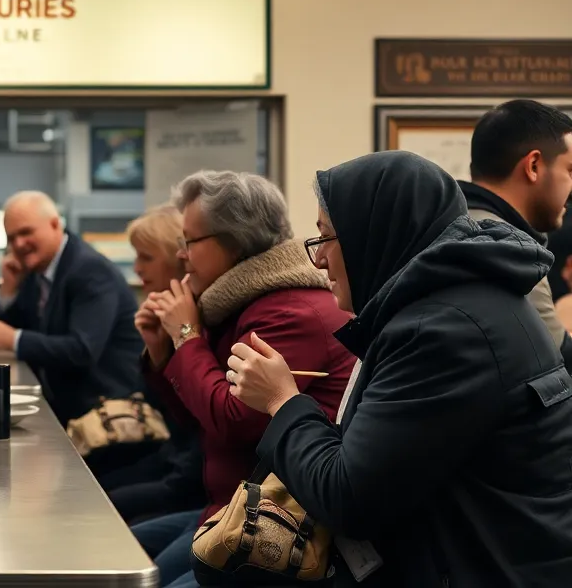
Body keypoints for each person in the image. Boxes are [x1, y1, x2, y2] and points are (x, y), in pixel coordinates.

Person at [231, 151, 572, 587]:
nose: (318, 262)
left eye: (326, 239)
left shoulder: (441, 332)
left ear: (374, 235)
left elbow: (348, 499)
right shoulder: (460, 304)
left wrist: (282, 400)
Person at [130, 171, 355, 588]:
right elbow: (196, 418)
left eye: (190, 242)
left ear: (234, 241)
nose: (182, 256)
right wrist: (164, 350)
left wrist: (186, 337)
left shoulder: (288, 313)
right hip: (228, 506)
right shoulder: (238, 302)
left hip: (273, 524)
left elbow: (232, 421)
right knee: (125, 559)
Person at [0, 190, 144, 424]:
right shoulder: (37, 269)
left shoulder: (89, 270)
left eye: (26, 232)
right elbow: (1, 335)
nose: (19, 244)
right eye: (11, 238)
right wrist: (9, 290)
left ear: (54, 224)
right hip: (59, 408)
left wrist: (13, 339)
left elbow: (82, 350)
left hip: (104, 417)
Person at [98, 204, 205, 524]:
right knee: (91, 490)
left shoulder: (200, 315)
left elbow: (198, 420)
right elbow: (167, 413)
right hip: (173, 456)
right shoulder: (163, 315)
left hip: (194, 474)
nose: (137, 269)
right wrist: (157, 351)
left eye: (146, 257)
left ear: (179, 259)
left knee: (101, 505)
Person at [457, 99, 572, 366]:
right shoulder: (509, 248)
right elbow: (557, 361)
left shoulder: (453, 227)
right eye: (570, 170)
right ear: (533, 166)